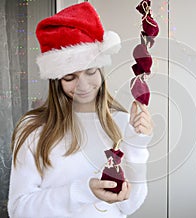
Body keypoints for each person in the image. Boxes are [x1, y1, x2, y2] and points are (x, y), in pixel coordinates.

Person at [8, 2, 153, 218]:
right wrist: (83, 192)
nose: (83, 86)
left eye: (91, 71)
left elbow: (129, 205)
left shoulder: (122, 122)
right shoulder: (33, 129)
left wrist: (138, 144)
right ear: (56, 81)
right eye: (70, 77)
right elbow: (19, 209)